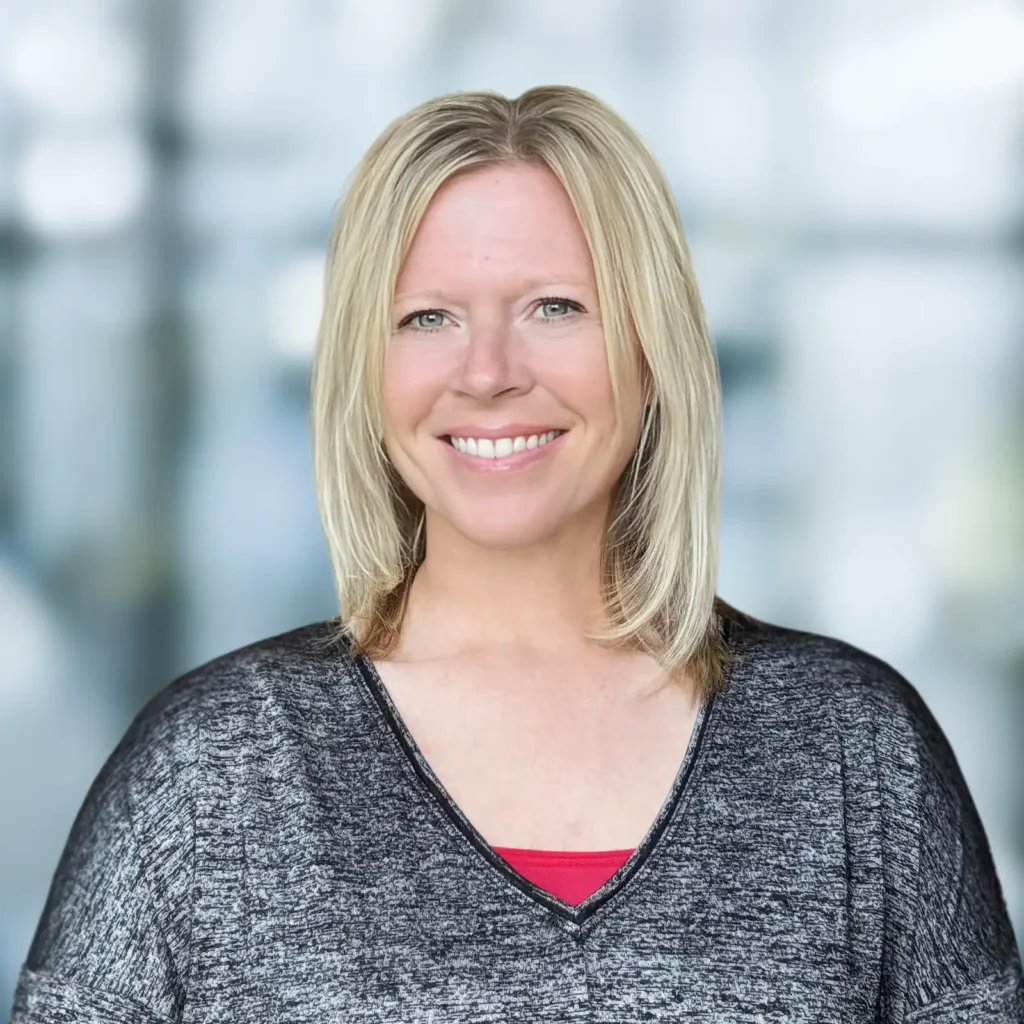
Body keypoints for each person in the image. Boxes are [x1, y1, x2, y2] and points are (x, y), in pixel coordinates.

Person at [10, 85, 1022, 1023]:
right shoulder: (211, 772)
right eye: (428, 317)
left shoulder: (853, 750)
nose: (487, 371)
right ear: (368, 368)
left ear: (651, 347)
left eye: (554, 307)